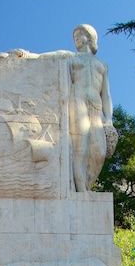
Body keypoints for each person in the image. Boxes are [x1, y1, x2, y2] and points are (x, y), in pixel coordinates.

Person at [19, 24, 114, 192]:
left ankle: (87, 184)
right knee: (80, 147)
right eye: (75, 36)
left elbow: (106, 94)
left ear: (90, 37)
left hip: (96, 106)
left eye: (80, 35)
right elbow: (47, 57)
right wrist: (28, 55)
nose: (76, 38)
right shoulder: (71, 57)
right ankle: (81, 191)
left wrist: (109, 118)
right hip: (77, 100)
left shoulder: (103, 65)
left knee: (99, 150)